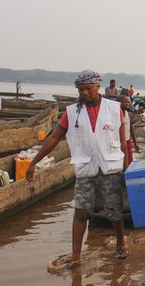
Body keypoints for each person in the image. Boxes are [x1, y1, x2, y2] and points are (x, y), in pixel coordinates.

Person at [25, 70, 130, 263]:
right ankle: (76, 255)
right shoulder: (71, 113)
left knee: (114, 209)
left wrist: (127, 169)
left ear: (98, 87)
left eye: (88, 88)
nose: (84, 93)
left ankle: (121, 242)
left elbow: (123, 143)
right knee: (80, 211)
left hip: (110, 167)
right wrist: (33, 162)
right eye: (81, 89)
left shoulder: (115, 109)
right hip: (85, 168)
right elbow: (54, 138)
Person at [120, 95, 140, 165]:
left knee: (129, 161)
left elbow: (131, 130)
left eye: (128, 102)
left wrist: (135, 143)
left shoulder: (128, 115)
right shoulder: (116, 115)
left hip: (127, 141)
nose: (127, 104)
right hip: (119, 143)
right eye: (124, 102)